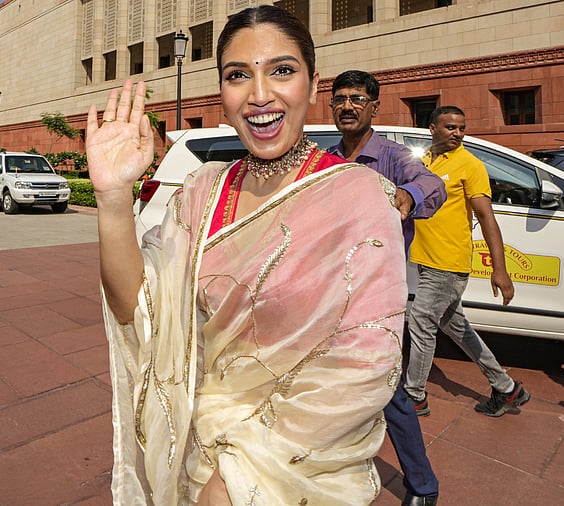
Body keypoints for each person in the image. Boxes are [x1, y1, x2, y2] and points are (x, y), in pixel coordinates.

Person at [87, 6, 410, 504]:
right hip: (195, 460)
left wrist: (238, 477)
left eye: (282, 70)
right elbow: (140, 310)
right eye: (239, 75)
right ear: (222, 91)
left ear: (312, 82)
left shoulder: (359, 197)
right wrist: (112, 199)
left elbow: (365, 362)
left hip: (295, 476)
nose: (260, 95)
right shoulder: (203, 191)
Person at [328, 69, 444, 506]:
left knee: (390, 388)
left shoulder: (395, 157)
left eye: (357, 99)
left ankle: (423, 486)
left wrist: (408, 196)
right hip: (331, 292)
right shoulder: (328, 161)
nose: (347, 106)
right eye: (340, 99)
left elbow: (433, 185)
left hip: (378, 296)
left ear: (375, 105)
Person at [405, 105, 531, 417]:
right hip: (425, 259)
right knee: (455, 326)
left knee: (421, 322)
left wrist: (499, 269)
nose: (458, 133)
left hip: (448, 262)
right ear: (432, 128)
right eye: (450, 127)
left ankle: (414, 397)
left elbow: (487, 217)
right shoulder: (422, 162)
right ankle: (507, 388)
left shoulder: (470, 165)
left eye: (462, 127)